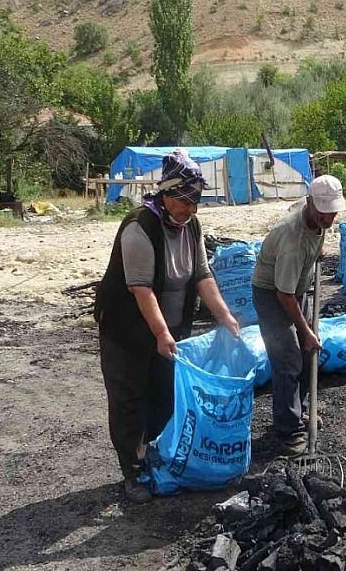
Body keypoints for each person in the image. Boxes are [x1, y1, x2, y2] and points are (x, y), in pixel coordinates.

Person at [93, 149, 240, 504]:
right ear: (167, 193)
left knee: (163, 395)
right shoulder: (139, 227)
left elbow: (203, 275)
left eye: (196, 202)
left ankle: (154, 459)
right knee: (130, 400)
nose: (190, 209)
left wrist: (226, 317)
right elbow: (141, 288)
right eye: (184, 201)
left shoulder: (191, 227)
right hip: (126, 331)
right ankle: (132, 470)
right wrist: (161, 333)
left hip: (169, 330)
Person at [252, 176, 346, 456]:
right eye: (323, 211)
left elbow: (313, 230)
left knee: (307, 356)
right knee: (288, 360)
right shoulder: (292, 239)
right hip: (272, 294)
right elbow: (283, 295)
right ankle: (287, 431)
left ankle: (298, 410)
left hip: (295, 289)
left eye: (333, 212)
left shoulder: (314, 218)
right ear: (309, 203)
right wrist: (304, 331)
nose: (329, 218)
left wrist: (317, 251)